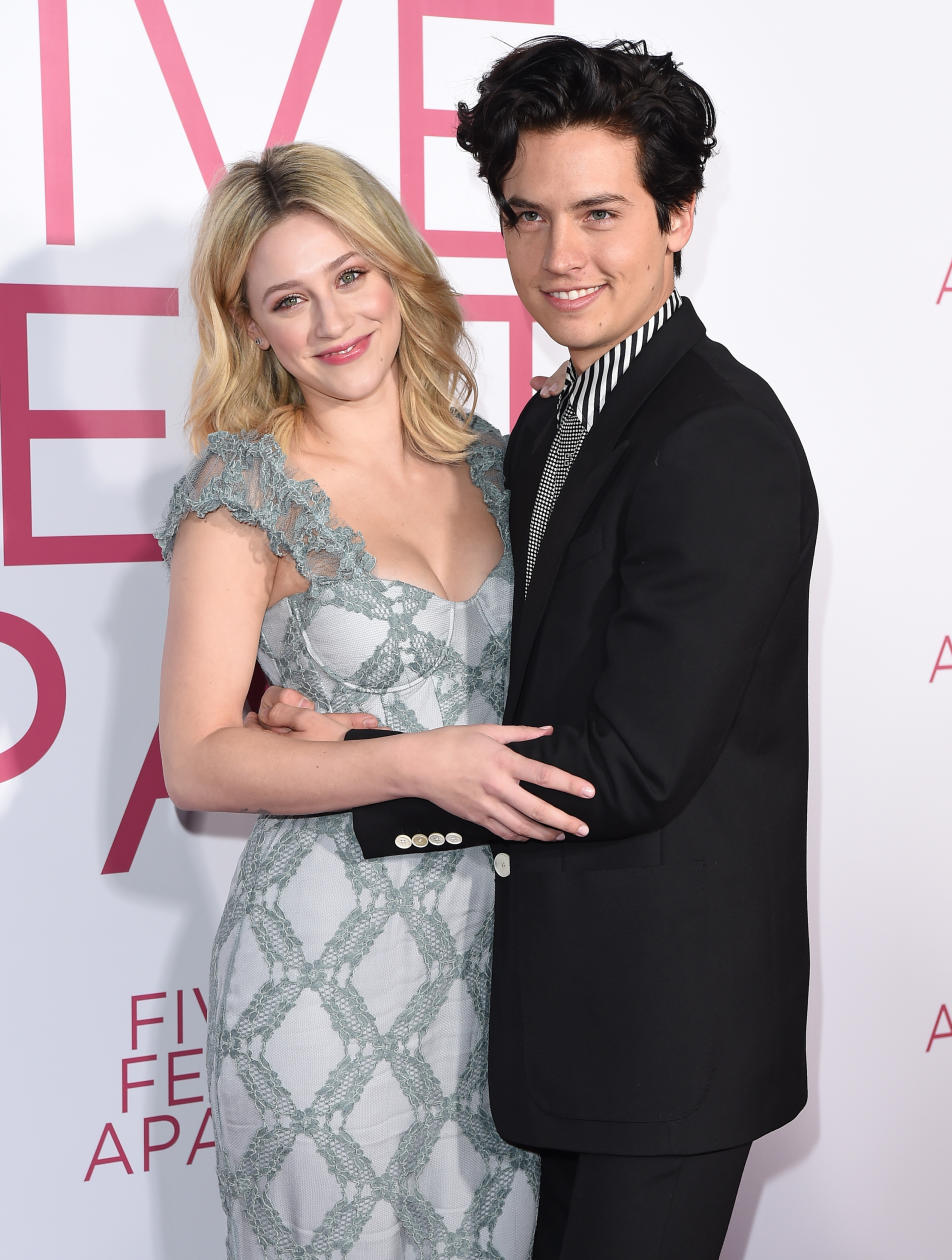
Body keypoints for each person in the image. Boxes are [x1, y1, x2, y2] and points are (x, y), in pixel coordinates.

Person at [260, 36, 818, 1260]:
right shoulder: (548, 420)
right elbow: (526, 665)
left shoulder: (718, 436)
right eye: (527, 216)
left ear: (678, 216)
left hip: (663, 1038)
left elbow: (625, 766)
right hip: (556, 1027)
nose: (561, 258)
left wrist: (373, 762)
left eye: (601, 213)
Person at [155, 141, 596, 1259]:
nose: (332, 321)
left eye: (351, 276)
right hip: (319, 958)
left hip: (504, 962)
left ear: (398, 270)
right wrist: (413, 759)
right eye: (287, 299)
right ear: (251, 326)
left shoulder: (501, 460)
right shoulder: (243, 486)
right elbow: (199, 760)